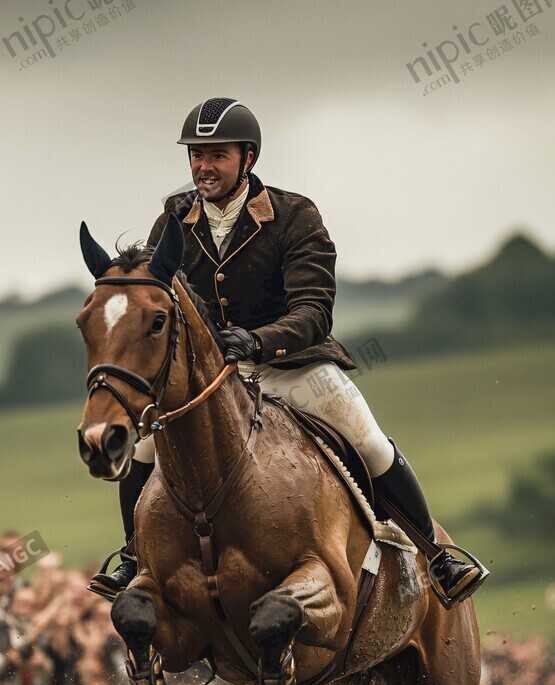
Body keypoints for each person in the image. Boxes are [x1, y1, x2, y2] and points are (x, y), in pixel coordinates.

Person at [90, 98, 487, 610]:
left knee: (366, 439)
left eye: (217, 155)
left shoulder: (294, 214)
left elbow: (314, 309)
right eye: (195, 155)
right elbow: (157, 298)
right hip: (214, 378)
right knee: (147, 448)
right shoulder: (173, 219)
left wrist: (257, 341)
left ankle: (437, 557)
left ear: (247, 159)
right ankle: (132, 556)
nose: (202, 167)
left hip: (292, 365)